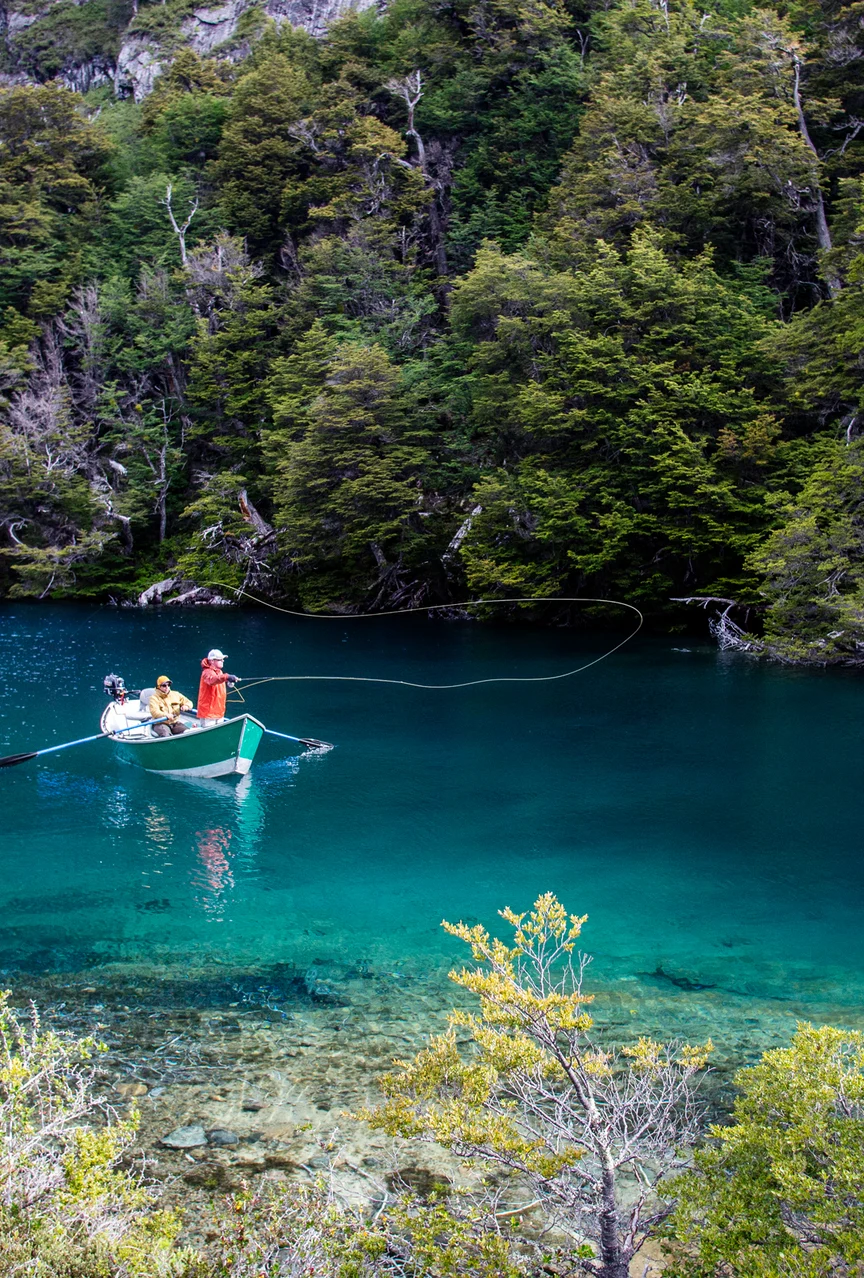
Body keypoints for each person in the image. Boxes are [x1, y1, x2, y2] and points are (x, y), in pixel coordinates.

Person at [197, 648, 241, 726]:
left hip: (219, 712)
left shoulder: (219, 672)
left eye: (222, 659)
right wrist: (227, 677)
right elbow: (212, 680)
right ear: (212, 661)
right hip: (208, 714)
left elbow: (219, 679)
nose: (223, 661)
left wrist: (229, 681)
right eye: (220, 659)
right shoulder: (206, 672)